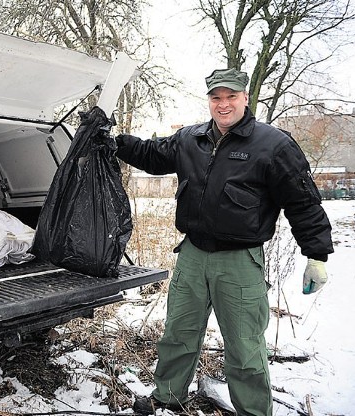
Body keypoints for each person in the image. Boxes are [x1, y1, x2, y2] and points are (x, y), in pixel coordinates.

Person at [115, 68, 334, 416]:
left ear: (245, 98)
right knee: (178, 334)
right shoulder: (190, 138)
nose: (224, 104)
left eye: (231, 96)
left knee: (245, 346)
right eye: (216, 97)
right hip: (192, 254)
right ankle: (168, 397)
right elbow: (152, 155)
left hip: (239, 261)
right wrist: (115, 142)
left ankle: (253, 411)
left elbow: (303, 202)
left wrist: (316, 254)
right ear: (209, 100)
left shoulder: (273, 145)